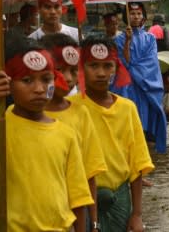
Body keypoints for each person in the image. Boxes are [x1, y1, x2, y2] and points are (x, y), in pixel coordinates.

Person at [0, 42, 92, 231]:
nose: (39, 89)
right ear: (8, 84)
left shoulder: (66, 135)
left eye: (46, 79)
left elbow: (78, 196)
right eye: (27, 80)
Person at [69, 36, 155, 232]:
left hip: (119, 200)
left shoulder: (127, 108)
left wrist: (137, 214)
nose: (101, 73)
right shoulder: (71, 107)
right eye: (93, 66)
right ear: (81, 68)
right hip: (81, 200)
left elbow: (137, 164)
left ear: (116, 68)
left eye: (108, 66)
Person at [42, 33, 107, 229]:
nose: (69, 79)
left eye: (73, 70)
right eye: (60, 70)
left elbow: (89, 175)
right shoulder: (19, 115)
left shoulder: (81, 114)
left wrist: (93, 222)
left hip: (74, 216)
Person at [112, 2, 168, 154]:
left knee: (144, 120)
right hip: (127, 87)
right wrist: (128, 42)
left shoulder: (150, 39)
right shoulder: (119, 40)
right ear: (126, 16)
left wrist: (135, 71)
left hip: (145, 85)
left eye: (138, 14)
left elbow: (150, 63)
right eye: (132, 14)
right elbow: (124, 62)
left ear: (143, 16)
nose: (135, 17)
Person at [148, 13, 169, 114]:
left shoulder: (150, 30)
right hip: (164, 58)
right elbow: (167, 44)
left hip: (153, 58)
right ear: (163, 21)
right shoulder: (163, 29)